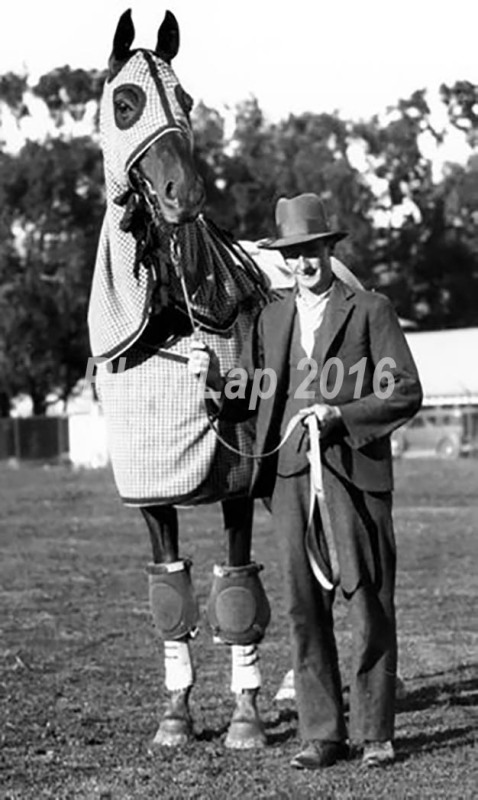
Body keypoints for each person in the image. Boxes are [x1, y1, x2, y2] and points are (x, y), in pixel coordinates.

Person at [188, 193, 423, 769]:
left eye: (312, 251)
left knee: (367, 602)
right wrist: (214, 379)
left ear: (328, 249)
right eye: (293, 254)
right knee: (302, 606)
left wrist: (340, 414)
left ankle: (376, 734)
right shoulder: (270, 318)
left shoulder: (371, 309)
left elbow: (404, 391)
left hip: (352, 474)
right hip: (290, 478)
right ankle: (322, 733)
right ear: (285, 259)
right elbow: (251, 396)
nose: (304, 264)